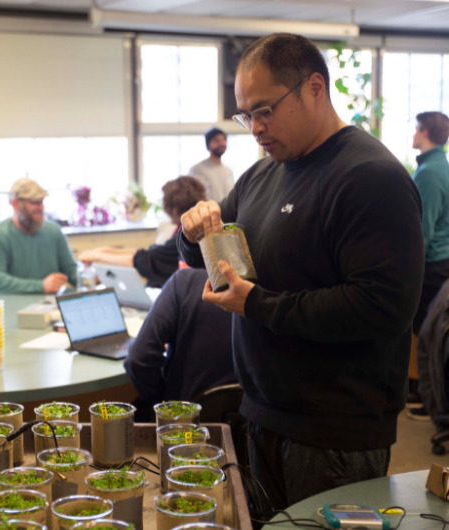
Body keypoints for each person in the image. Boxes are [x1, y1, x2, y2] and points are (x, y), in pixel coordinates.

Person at [178, 33, 423, 510]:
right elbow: (199, 257)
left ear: (315, 88)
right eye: (246, 114)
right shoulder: (261, 174)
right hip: (261, 416)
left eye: (265, 110)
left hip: (333, 436)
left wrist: (257, 304)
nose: (254, 128)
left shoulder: (371, 177)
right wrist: (192, 232)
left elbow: (382, 307)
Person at [124, 267, 235, 405]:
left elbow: (137, 358)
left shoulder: (185, 282)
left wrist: (159, 400)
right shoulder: (265, 289)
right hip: (252, 420)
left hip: (180, 420)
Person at [78, 176, 205, 288]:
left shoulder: (187, 235)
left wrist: (97, 256)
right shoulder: (184, 229)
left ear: (174, 207)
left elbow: (146, 259)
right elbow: (153, 252)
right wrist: (104, 250)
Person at [408, 111, 449, 421]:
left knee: (423, 331)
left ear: (424, 132)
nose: (413, 134)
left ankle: (425, 398)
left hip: (433, 265)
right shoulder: (436, 166)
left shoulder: (430, 172)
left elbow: (422, 232)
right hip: (440, 263)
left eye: (415, 129)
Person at [0, 178, 77, 294]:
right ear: (15, 203)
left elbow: (72, 271)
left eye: (42, 201)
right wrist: (41, 286)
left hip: (53, 307)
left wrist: (89, 275)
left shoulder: (54, 231)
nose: (41, 207)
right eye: (35, 202)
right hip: (13, 308)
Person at [188, 127, 234, 203]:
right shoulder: (197, 169)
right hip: (207, 214)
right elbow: (192, 197)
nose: (221, 143)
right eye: (216, 140)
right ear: (208, 145)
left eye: (223, 140)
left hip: (229, 214)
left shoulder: (229, 171)